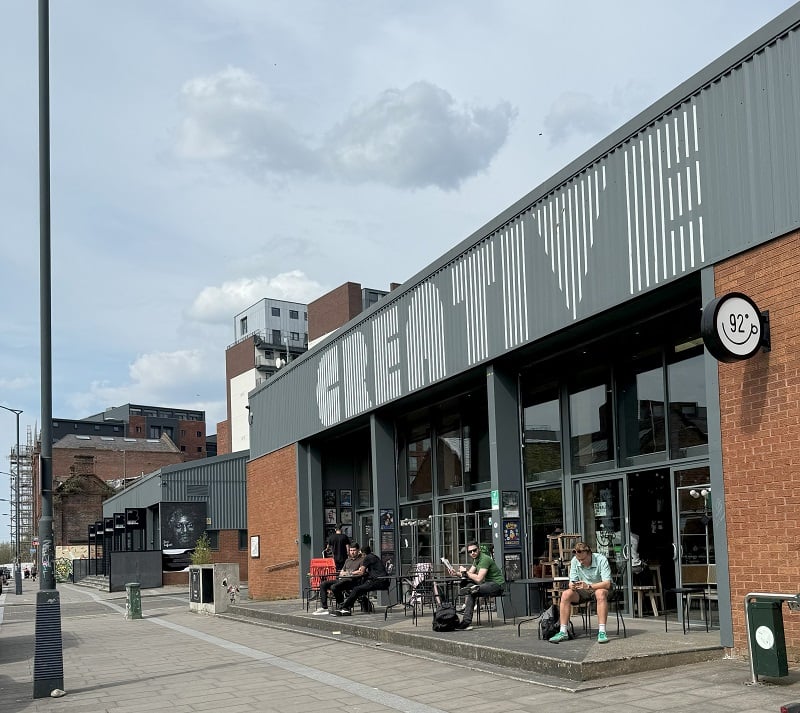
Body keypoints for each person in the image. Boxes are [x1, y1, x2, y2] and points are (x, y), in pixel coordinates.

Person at [549, 541, 612, 644]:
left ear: (590, 554)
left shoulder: (601, 559)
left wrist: (589, 586)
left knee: (600, 593)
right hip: (584, 590)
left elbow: (607, 584)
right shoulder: (575, 561)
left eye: (583, 559)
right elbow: (571, 581)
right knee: (566, 594)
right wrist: (572, 585)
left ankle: (602, 631)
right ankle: (563, 631)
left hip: (601, 588)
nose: (581, 562)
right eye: (579, 559)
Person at [452, 541, 505, 631]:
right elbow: (470, 573)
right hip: (487, 584)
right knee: (472, 591)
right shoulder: (476, 560)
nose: (472, 553)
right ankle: (469, 589)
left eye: (474, 550)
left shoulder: (484, 559)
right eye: (470, 552)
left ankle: (465, 622)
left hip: (497, 585)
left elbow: (479, 578)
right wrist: (456, 573)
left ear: (479, 549)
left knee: (473, 590)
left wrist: (465, 572)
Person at [332, 546, 390, 615]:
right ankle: (347, 606)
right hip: (384, 581)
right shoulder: (374, 557)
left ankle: (345, 608)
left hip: (379, 581)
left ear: (363, 553)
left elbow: (361, 572)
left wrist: (349, 573)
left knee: (357, 589)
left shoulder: (367, 558)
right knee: (358, 589)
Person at [312, 543, 364, 615]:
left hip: (353, 581)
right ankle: (324, 607)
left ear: (358, 550)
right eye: (351, 550)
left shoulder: (361, 560)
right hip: (342, 579)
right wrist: (346, 573)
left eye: (354, 550)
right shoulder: (347, 560)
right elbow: (342, 572)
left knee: (334, 587)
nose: (352, 552)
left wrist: (350, 573)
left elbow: (361, 572)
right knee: (323, 584)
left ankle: (341, 605)